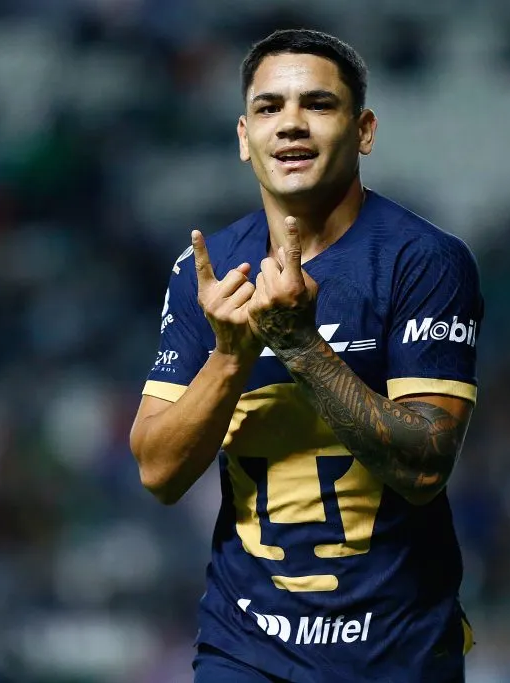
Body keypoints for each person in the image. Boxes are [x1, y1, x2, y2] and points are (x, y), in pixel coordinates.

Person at [130, 28, 482, 683]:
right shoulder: (207, 271)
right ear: (244, 137)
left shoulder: (423, 261)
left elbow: (425, 466)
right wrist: (230, 358)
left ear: (364, 131)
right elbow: (159, 471)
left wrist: (297, 343)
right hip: (245, 648)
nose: (291, 123)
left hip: (395, 653)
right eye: (269, 107)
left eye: (318, 104)